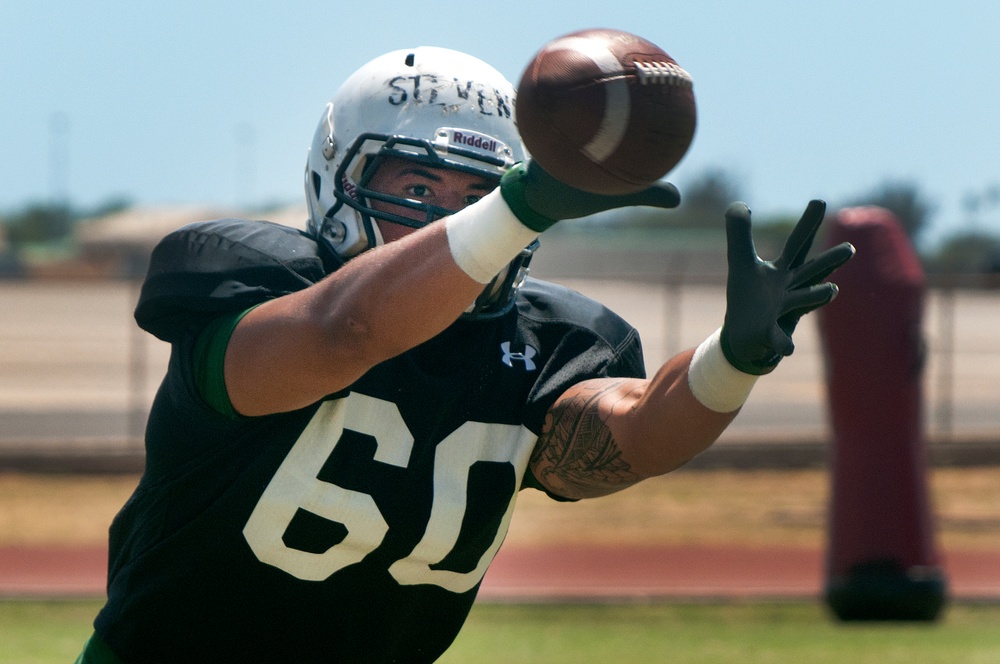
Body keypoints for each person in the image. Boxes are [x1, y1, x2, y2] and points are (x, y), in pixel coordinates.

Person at [76, 46, 854, 663]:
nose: (444, 218)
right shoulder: (259, 286)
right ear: (335, 181)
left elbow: (635, 436)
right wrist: (510, 205)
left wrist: (732, 361)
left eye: (473, 195)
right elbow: (347, 332)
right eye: (417, 187)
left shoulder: (547, 341)